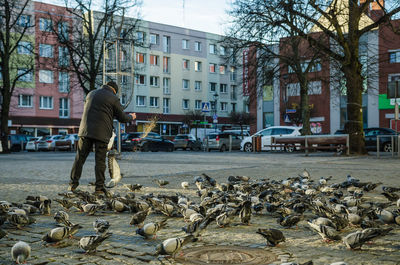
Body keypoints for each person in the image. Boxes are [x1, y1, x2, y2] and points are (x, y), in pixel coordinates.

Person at [69, 81, 136, 195]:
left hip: (85, 131)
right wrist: (132, 116)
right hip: (101, 133)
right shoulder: (113, 98)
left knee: (79, 158)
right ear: (114, 90)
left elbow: (97, 110)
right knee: (100, 161)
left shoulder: (91, 94)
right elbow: (122, 118)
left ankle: (72, 185)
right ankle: (99, 188)